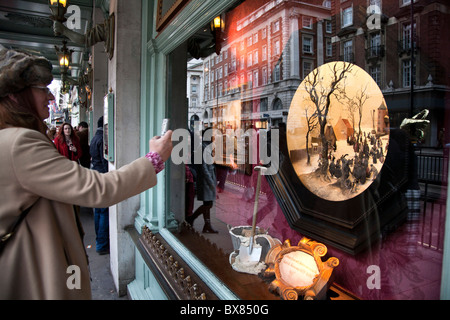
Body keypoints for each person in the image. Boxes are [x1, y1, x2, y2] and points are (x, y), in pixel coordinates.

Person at [0, 48, 173, 299]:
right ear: (17, 95)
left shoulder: (11, 138)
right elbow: (97, 189)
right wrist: (154, 159)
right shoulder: (19, 143)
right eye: (41, 88)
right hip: (36, 274)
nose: (49, 95)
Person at [186, 128, 218, 233]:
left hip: (206, 179)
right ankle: (192, 218)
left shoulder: (207, 146)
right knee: (208, 204)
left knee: (208, 203)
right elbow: (204, 168)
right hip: (205, 181)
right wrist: (211, 183)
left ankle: (207, 225)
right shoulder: (204, 147)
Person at [90, 116, 110, 254]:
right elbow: (105, 161)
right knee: (103, 212)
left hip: (94, 175)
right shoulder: (103, 139)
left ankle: (99, 239)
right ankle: (101, 244)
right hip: (102, 176)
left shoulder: (94, 138)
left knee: (98, 211)